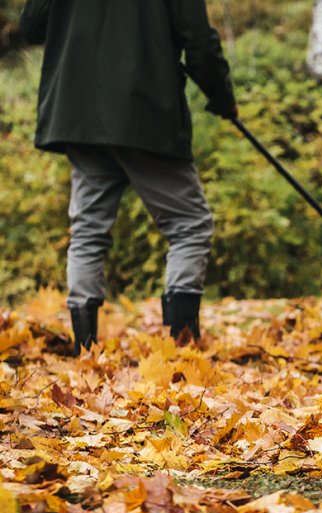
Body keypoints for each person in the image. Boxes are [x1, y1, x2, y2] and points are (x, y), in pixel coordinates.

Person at [19, 0, 237, 353]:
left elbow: (31, 25)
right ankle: (182, 347)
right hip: (145, 113)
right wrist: (223, 98)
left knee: (88, 229)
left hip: (79, 114)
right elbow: (199, 43)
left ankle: (85, 350)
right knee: (190, 225)